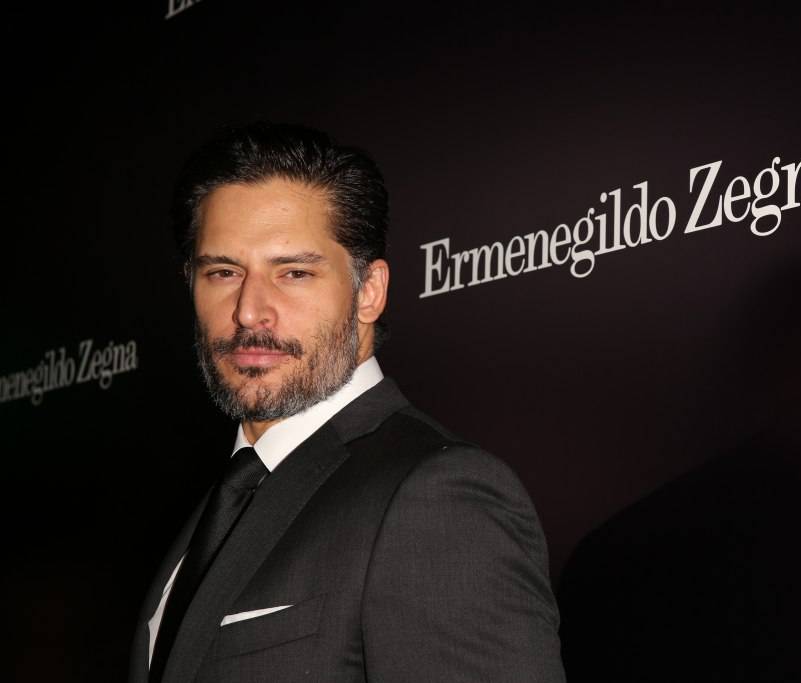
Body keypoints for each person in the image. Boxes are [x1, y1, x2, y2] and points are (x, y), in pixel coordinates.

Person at [128, 122, 565, 683]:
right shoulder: (217, 504)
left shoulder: (435, 498)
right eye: (223, 272)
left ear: (368, 292)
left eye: (294, 273)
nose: (249, 311)